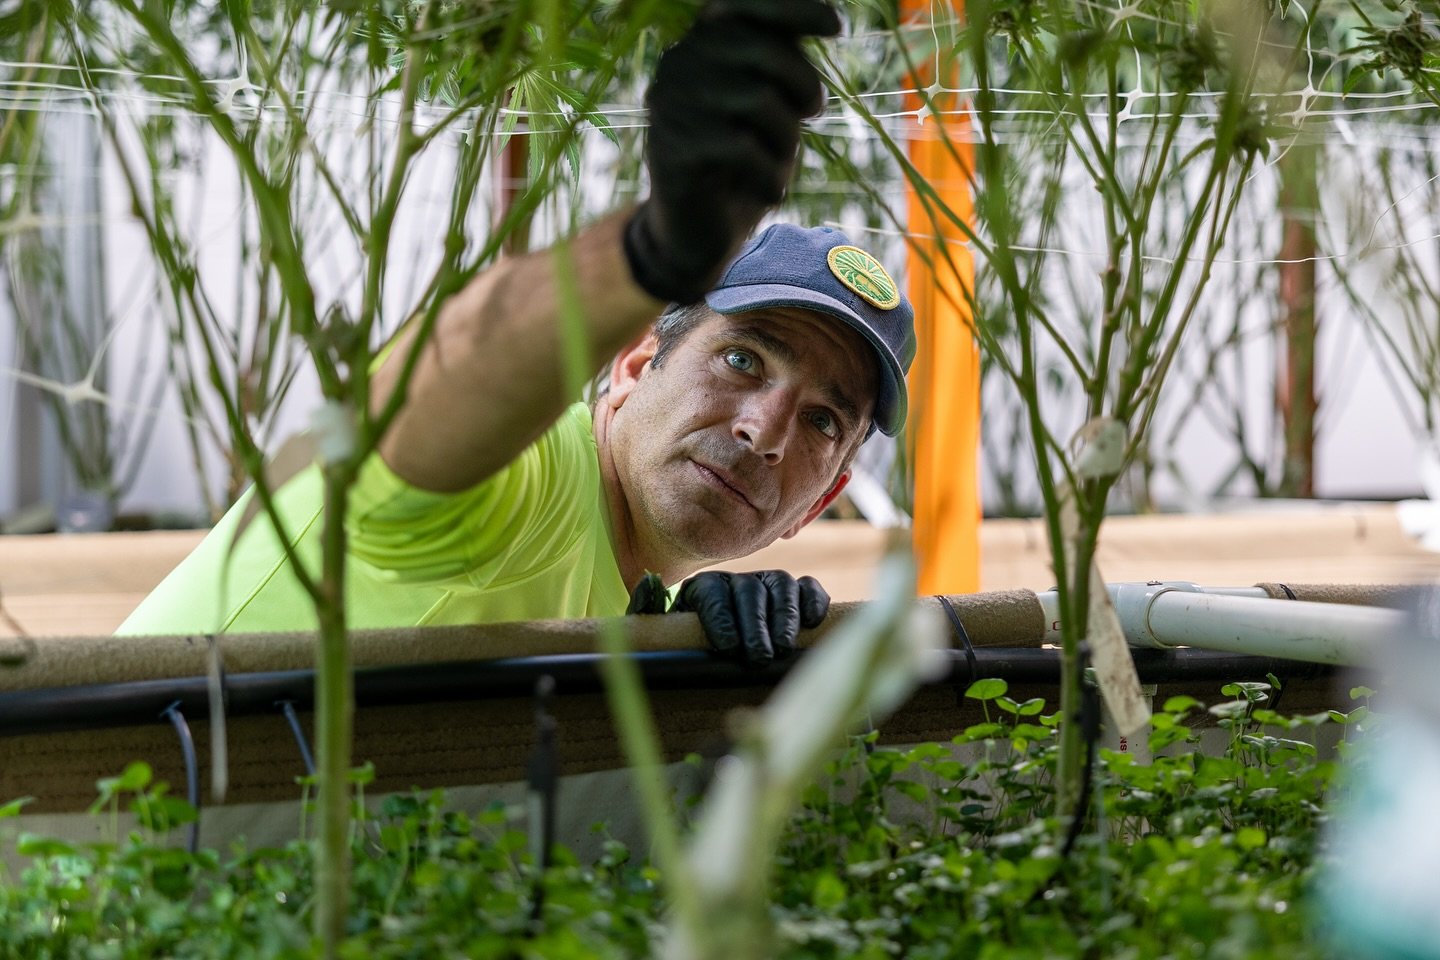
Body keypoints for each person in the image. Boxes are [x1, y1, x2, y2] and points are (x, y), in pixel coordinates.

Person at [117, 0, 916, 666]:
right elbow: (419, 411)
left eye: (822, 420)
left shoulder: (631, 586)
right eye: (742, 358)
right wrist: (648, 253)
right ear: (634, 362)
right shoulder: (533, 484)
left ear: (823, 503)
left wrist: (682, 654)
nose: (763, 429)